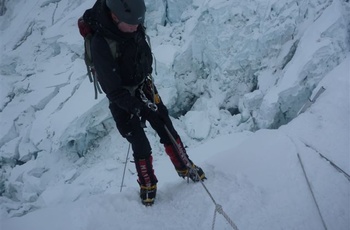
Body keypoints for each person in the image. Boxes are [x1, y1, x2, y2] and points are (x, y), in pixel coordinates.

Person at [80, 0, 205, 206]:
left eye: (138, 23)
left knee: (165, 126)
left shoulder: (132, 23)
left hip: (143, 86)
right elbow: (114, 91)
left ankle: (185, 166)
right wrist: (139, 108)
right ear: (114, 17)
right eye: (130, 24)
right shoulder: (101, 44)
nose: (136, 27)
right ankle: (148, 185)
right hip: (120, 97)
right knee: (140, 142)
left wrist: (148, 103)